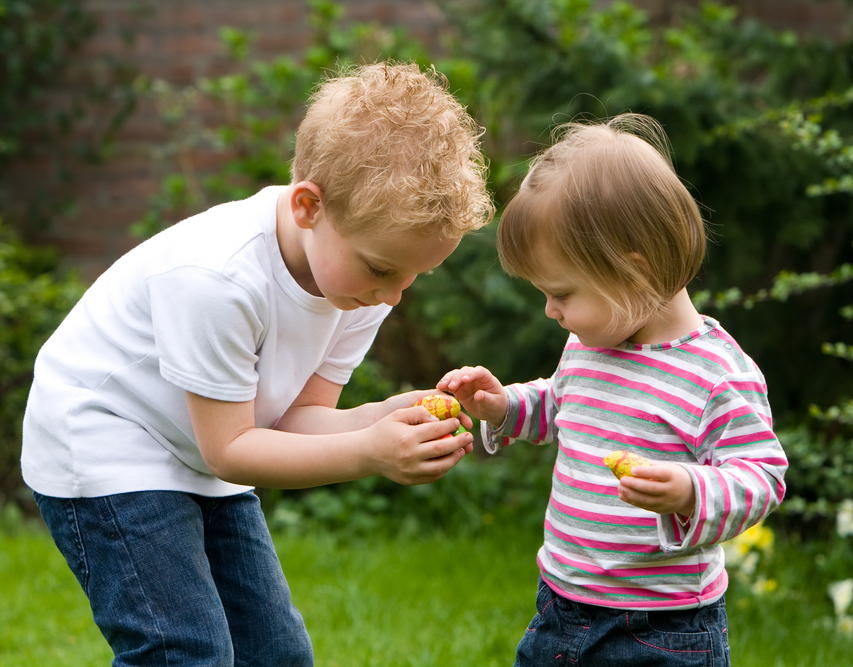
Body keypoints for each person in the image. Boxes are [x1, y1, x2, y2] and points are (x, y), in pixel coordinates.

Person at [21, 62, 492, 666]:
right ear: (307, 206)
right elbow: (232, 449)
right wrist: (371, 452)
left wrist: (389, 416)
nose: (396, 295)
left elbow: (298, 420)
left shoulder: (357, 282)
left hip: (207, 436)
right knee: (184, 652)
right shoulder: (216, 279)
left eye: (414, 276)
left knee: (276, 654)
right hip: (106, 435)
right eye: (383, 269)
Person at [438, 114, 787, 666]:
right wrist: (504, 406)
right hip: (561, 604)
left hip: (663, 629)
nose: (550, 311)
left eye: (561, 293)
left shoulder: (715, 374)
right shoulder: (589, 341)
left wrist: (691, 491)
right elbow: (561, 403)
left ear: (631, 273)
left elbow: (762, 476)